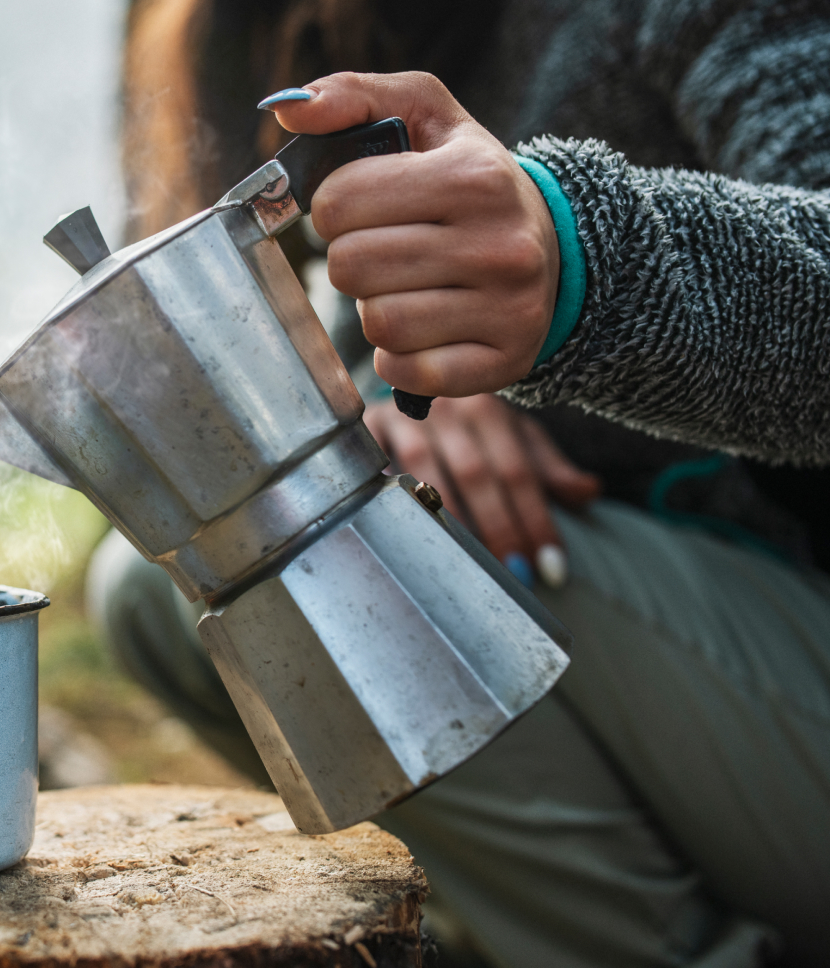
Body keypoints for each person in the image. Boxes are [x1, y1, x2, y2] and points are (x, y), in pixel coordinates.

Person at [90, 2, 830, 965]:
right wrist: (392, 398)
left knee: (324, 552)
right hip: (687, 679)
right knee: (163, 586)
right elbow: (327, 330)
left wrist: (577, 258)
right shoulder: (255, 32)